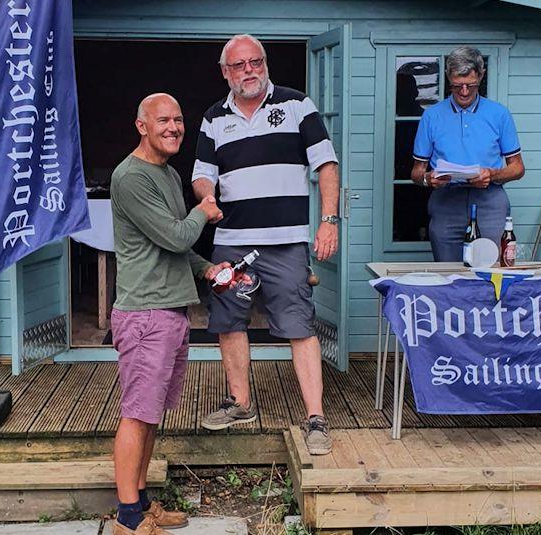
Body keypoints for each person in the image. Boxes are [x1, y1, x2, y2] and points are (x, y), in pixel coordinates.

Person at [191, 34, 340, 455]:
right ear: (226, 72)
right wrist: (207, 196)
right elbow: (202, 172)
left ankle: (316, 418)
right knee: (227, 320)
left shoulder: (296, 105)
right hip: (232, 242)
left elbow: (326, 165)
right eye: (239, 65)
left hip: (285, 242)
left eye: (255, 62)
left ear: (266, 63)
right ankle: (241, 405)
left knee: (299, 325)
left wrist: (329, 221)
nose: (249, 70)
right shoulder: (213, 117)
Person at [110, 93, 228, 535]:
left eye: (179, 120)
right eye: (164, 120)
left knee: (152, 412)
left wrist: (209, 268)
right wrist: (202, 210)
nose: (174, 127)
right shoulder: (130, 178)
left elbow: (176, 248)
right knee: (137, 413)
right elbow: (178, 236)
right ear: (142, 125)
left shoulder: (167, 173)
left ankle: (140, 503)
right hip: (145, 314)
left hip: (171, 312)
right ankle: (127, 519)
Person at [410, 46, 525, 261]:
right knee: (447, 275)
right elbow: (416, 173)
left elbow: (517, 168)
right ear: (448, 78)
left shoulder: (499, 114)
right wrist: (429, 179)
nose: (464, 92)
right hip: (446, 202)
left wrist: (491, 174)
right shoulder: (432, 116)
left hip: (489, 201)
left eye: (470, 86)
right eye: (456, 86)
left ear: (481, 77)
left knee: (490, 270)